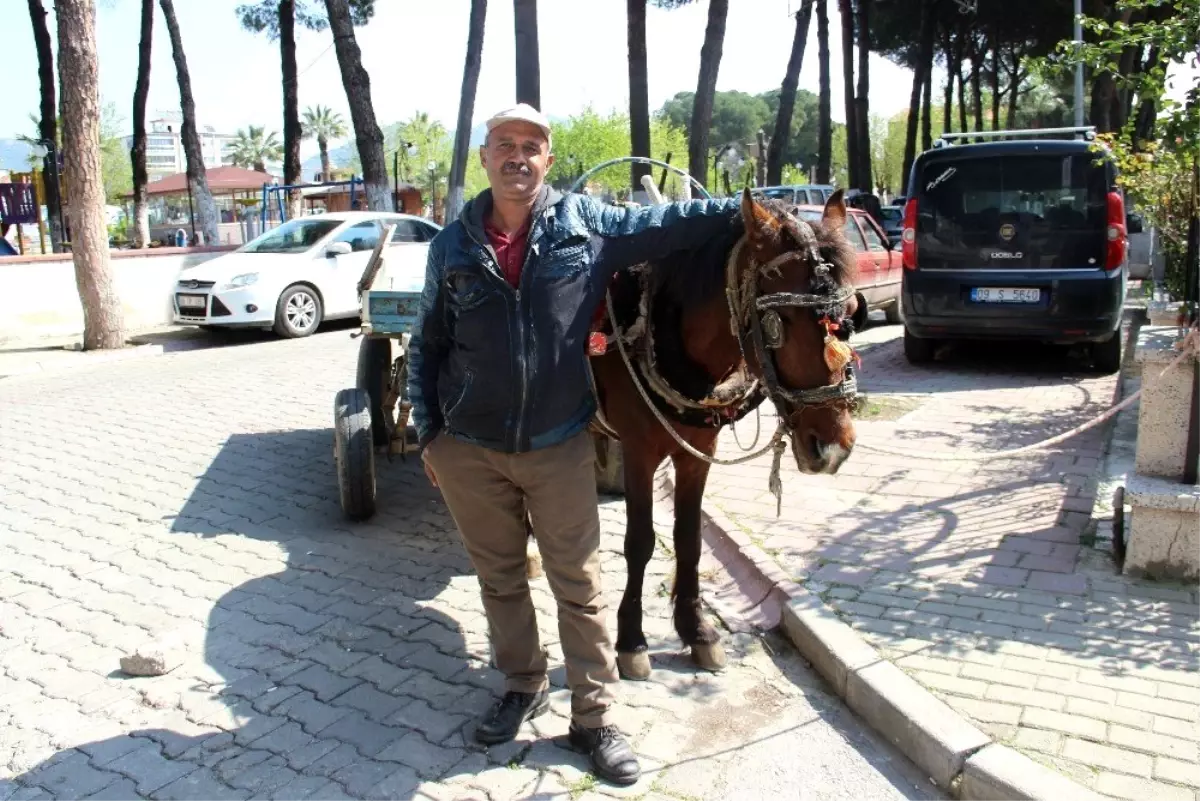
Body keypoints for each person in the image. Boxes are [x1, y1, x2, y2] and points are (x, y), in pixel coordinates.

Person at [407, 103, 738, 786]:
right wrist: (429, 433)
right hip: (470, 444)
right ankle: (520, 683)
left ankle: (594, 717)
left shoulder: (586, 224)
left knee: (579, 586)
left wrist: (747, 210)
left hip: (559, 442)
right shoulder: (452, 246)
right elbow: (428, 342)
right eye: (505, 144)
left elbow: (668, 222)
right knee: (500, 580)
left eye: (532, 146)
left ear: (548, 161)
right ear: (485, 157)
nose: (518, 157)